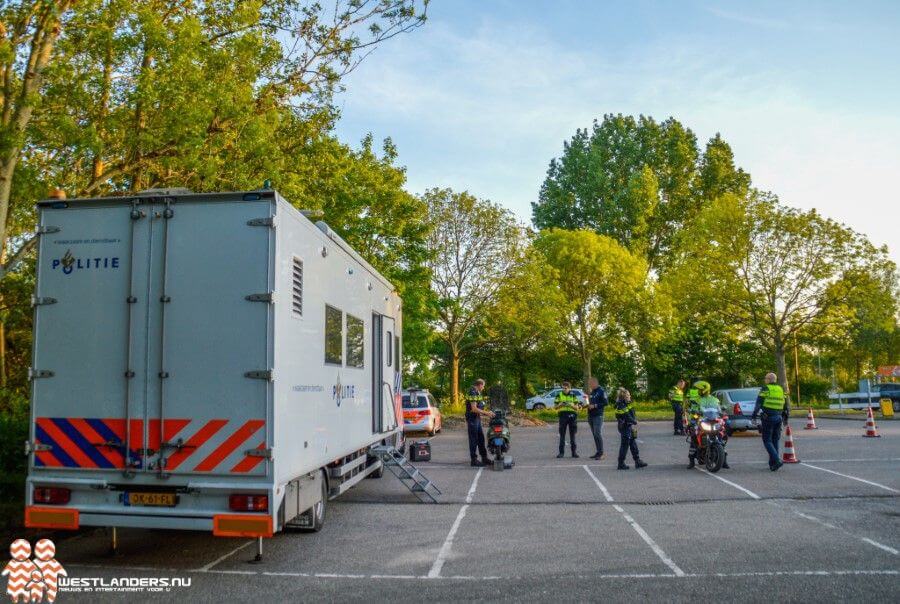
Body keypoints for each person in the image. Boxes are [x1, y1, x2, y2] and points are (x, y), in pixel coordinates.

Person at [686, 380, 730, 469]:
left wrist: (722, 413)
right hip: (702, 420)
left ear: (704, 390)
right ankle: (691, 461)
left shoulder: (715, 399)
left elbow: (719, 409)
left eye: (699, 390)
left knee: (721, 436)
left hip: (713, 420)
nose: (697, 391)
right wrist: (693, 415)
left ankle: (723, 460)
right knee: (694, 437)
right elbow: (694, 410)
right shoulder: (697, 400)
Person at [751, 372, 790, 471]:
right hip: (779, 417)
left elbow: (758, 403)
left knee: (767, 440)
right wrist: (786, 418)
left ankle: (777, 460)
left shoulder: (765, 388)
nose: (765, 380)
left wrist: (754, 416)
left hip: (768, 417)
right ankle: (773, 464)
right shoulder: (781, 389)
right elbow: (786, 406)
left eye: (765, 378)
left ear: (769, 379)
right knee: (775, 440)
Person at [614, 387, 647, 470]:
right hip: (624, 427)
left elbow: (632, 413)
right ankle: (621, 463)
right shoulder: (620, 405)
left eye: (629, 395)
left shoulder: (627, 403)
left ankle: (637, 461)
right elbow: (627, 416)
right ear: (623, 396)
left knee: (633, 443)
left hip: (629, 426)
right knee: (624, 445)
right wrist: (635, 421)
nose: (630, 396)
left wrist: (633, 420)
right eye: (628, 395)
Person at [465, 379, 492, 467]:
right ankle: (474, 460)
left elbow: (479, 406)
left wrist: (487, 412)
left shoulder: (477, 392)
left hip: (477, 417)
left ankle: (484, 458)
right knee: (474, 439)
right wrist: (487, 413)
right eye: (483, 386)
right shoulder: (472, 392)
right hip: (472, 418)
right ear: (479, 385)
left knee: (481, 438)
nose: (483, 388)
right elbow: (474, 408)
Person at [555, 381, 581, 458]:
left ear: (569, 388)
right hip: (562, 416)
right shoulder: (559, 395)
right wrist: (560, 404)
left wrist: (570, 405)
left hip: (572, 416)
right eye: (563, 388)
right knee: (562, 435)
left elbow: (577, 408)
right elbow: (555, 407)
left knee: (572, 435)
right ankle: (561, 453)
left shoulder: (573, 395)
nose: (564, 389)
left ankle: (574, 452)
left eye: (565, 388)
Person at [587, 376, 607, 460]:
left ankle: (602, 453)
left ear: (595, 383)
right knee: (594, 435)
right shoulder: (592, 392)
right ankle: (598, 452)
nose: (589, 385)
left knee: (597, 433)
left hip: (598, 416)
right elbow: (591, 403)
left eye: (590, 384)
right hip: (591, 415)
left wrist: (595, 405)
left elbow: (605, 402)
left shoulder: (601, 391)